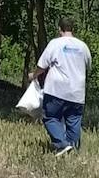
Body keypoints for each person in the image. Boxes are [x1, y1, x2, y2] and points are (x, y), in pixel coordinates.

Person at [36, 17, 93, 155]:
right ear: (72, 28)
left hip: (56, 90)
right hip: (77, 92)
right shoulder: (83, 46)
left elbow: (42, 66)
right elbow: (88, 66)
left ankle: (61, 144)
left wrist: (34, 75)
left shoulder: (55, 44)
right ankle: (71, 151)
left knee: (51, 117)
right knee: (73, 120)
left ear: (59, 29)